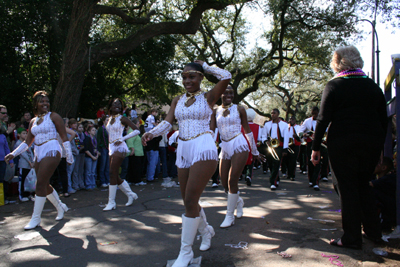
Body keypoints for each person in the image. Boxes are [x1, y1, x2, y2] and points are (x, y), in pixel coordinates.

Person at [142, 60, 231, 266]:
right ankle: (206, 231)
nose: (187, 80)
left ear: (200, 77)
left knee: (191, 200)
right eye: (184, 77)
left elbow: (225, 76)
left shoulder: (209, 97)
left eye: (192, 76)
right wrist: (151, 133)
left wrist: (207, 66)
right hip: (183, 149)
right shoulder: (177, 100)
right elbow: (167, 122)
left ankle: (186, 252)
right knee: (187, 200)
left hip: (203, 146)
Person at [311, 46, 388, 249]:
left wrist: (315, 147)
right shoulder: (373, 86)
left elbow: (323, 119)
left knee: (347, 189)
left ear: (338, 62)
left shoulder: (334, 85)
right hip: (370, 144)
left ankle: (352, 238)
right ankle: (374, 232)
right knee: (364, 184)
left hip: (342, 144)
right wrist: (379, 148)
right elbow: (383, 120)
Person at [5, 91, 74, 230]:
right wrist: (13, 153)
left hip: (52, 149)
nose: (45, 103)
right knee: (44, 184)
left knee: (39, 184)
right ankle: (60, 207)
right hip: (38, 152)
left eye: (47, 101)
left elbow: (64, 136)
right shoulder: (33, 121)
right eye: (42, 101)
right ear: (36, 104)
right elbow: (27, 142)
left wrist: (69, 155)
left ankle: (36, 218)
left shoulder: (54, 116)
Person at [211, 86, 263, 228]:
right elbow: (211, 131)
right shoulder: (215, 111)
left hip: (239, 143)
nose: (229, 95)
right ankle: (238, 201)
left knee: (232, 179)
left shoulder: (239, 109)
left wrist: (255, 151)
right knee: (223, 182)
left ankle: (229, 216)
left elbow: (247, 130)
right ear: (220, 94)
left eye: (231, 93)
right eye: (226, 92)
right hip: (225, 146)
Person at [102, 98, 140, 211]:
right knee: (114, 175)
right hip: (111, 146)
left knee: (111, 172)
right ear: (110, 107)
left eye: (119, 104)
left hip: (120, 146)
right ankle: (130, 194)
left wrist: (122, 138)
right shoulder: (108, 119)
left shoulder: (123, 118)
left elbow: (137, 130)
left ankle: (111, 202)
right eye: (115, 104)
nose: (117, 106)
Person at [260, 109, 289, 190]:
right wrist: (266, 141)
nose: (272, 114)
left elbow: (286, 137)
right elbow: (263, 136)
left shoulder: (284, 125)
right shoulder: (267, 125)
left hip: (279, 147)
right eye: (271, 113)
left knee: (276, 163)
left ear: (278, 114)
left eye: (274, 113)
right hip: (269, 147)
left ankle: (273, 182)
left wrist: (285, 149)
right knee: (270, 163)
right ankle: (276, 178)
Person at [370, 157, 396, 230]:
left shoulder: (388, 179)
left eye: (377, 164)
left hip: (388, 211)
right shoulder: (378, 178)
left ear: (384, 167)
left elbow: (369, 185)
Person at [299, 107, 322, 190]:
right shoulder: (307, 121)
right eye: (313, 114)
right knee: (310, 161)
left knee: (318, 162)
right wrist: (305, 134)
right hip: (310, 143)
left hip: (320, 143)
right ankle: (311, 180)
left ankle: (316, 182)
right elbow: (300, 132)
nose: (314, 115)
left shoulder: (322, 120)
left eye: (316, 113)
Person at [14, 128, 34, 202]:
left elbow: (31, 153)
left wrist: (33, 161)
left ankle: (29, 194)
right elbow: (23, 154)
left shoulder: (28, 143)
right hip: (23, 165)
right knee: (22, 180)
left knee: (29, 180)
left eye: (26, 133)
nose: (25, 135)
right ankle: (22, 195)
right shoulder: (18, 143)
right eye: (23, 133)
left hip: (30, 165)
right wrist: (29, 162)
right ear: (19, 135)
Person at [126, 118, 145, 186]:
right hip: (135, 153)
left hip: (137, 152)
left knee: (133, 167)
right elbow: (130, 141)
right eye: (137, 124)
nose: (138, 125)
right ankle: (137, 180)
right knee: (136, 167)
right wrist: (132, 149)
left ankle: (133, 180)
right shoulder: (132, 131)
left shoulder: (134, 131)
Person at [84, 125, 100, 190]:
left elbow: (95, 148)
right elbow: (86, 149)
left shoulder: (94, 139)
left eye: (95, 130)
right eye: (93, 130)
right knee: (88, 172)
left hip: (94, 156)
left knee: (93, 172)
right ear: (89, 132)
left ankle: (93, 184)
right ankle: (88, 185)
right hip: (89, 157)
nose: (94, 132)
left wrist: (97, 155)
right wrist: (92, 156)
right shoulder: (87, 139)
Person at [286, 116, 301, 181]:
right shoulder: (286, 127)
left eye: (292, 119)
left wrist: (296, 136)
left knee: (293, 160)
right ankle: (289, 174)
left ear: (295, 120)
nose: (291, 121)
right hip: (287, 145)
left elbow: (300, 138)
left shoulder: (298, 127)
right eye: (290, 119)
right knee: (287, 160)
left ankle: (293, 175)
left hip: (295, 145)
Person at [97, 116, 110, 187]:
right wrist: (98, 149)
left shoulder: (109, 129)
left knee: (107, 165)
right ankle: (102, 181)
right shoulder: (101, 129)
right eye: (107, 120)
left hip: (108, 148)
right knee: (103, 165)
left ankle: (107, 180)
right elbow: (98, 140)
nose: (108, 121)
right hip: (103, 148)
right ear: (104, 121)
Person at [72, 123, 85, 191]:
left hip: (83, 153)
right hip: (77, 153)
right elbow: (77, 144)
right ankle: (75, 184)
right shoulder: (76, 135)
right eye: (79, 127)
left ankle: (81, 183)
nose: (81, 129)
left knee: (81, 169)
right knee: (76, 170)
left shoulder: (83, 135)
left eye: (82, 127)